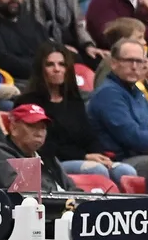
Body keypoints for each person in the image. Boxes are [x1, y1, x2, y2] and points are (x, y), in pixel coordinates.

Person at [16, 42, 138, 185]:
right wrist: (84, 156)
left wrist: (99, 155)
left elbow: (89, 136)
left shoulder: (74, 100)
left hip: (82, 158)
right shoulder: (28, 102)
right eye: (50, 65)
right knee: (97, 170)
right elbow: (42, 146)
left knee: (125, 170)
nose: (57, 69)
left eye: (62, 64)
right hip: (52, 162)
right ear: (40, 68)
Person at [86, 37, 148, 171]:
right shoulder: (108, 93)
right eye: (129, 61)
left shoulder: (135, 90)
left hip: (141, 155)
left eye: (139, 61)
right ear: (114, 63)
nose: (134, 67)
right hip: (119, 162)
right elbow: (131, 136)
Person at [0, 102, 72, 191]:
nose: (39, 133)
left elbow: (71, 188)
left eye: (43, 127)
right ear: (14, 128)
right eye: (32, 126)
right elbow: (26, 191)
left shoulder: (47, 156)